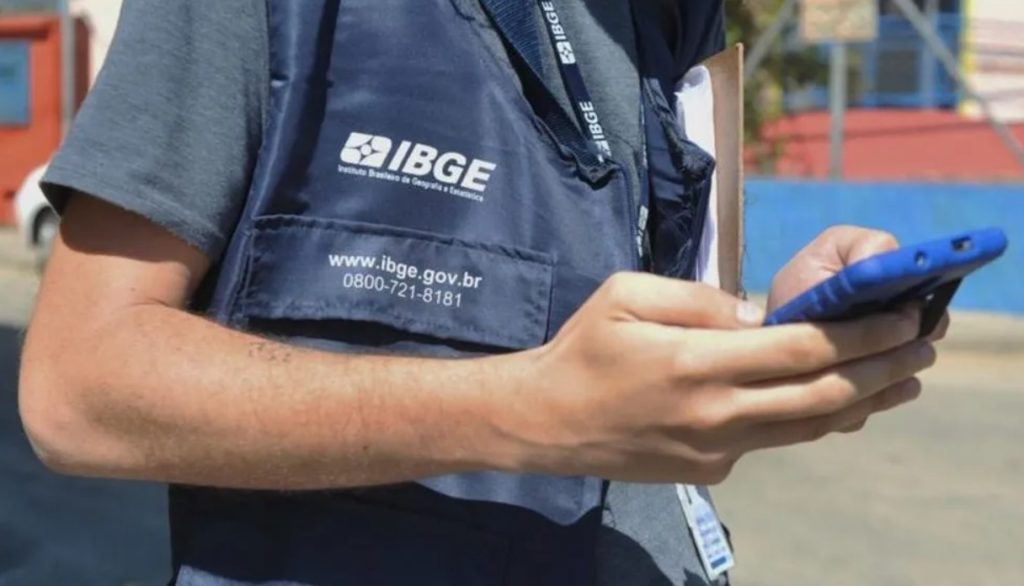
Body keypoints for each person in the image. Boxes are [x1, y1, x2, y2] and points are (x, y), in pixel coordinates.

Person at [18, 1, 944, 585]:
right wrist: (526, 411)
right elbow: (79, 389)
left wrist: (769, 335)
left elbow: (634, 349)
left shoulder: (672, 22)